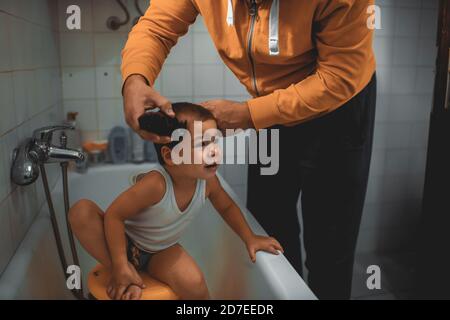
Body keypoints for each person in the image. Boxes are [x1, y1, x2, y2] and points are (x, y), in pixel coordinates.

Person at [121, 0, 376, 299]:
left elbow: (338, 78)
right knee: (270, 224)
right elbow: (156, 27)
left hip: (338, 108)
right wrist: (135, 77)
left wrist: (249, 115)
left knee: (329, 248)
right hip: (268, 105)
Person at [68, 103, 284, 300]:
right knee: (81, 211)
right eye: (202, 144)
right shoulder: (156, 184)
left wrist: (249, 237)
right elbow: (114, 216)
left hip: (160, 251)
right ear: (170, 155)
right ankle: (125, 274)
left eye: (214, 141)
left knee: (195, 284)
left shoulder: (208, 182)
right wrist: (119, 264)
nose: (214, 150)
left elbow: (226, 207)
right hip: (124, 243)